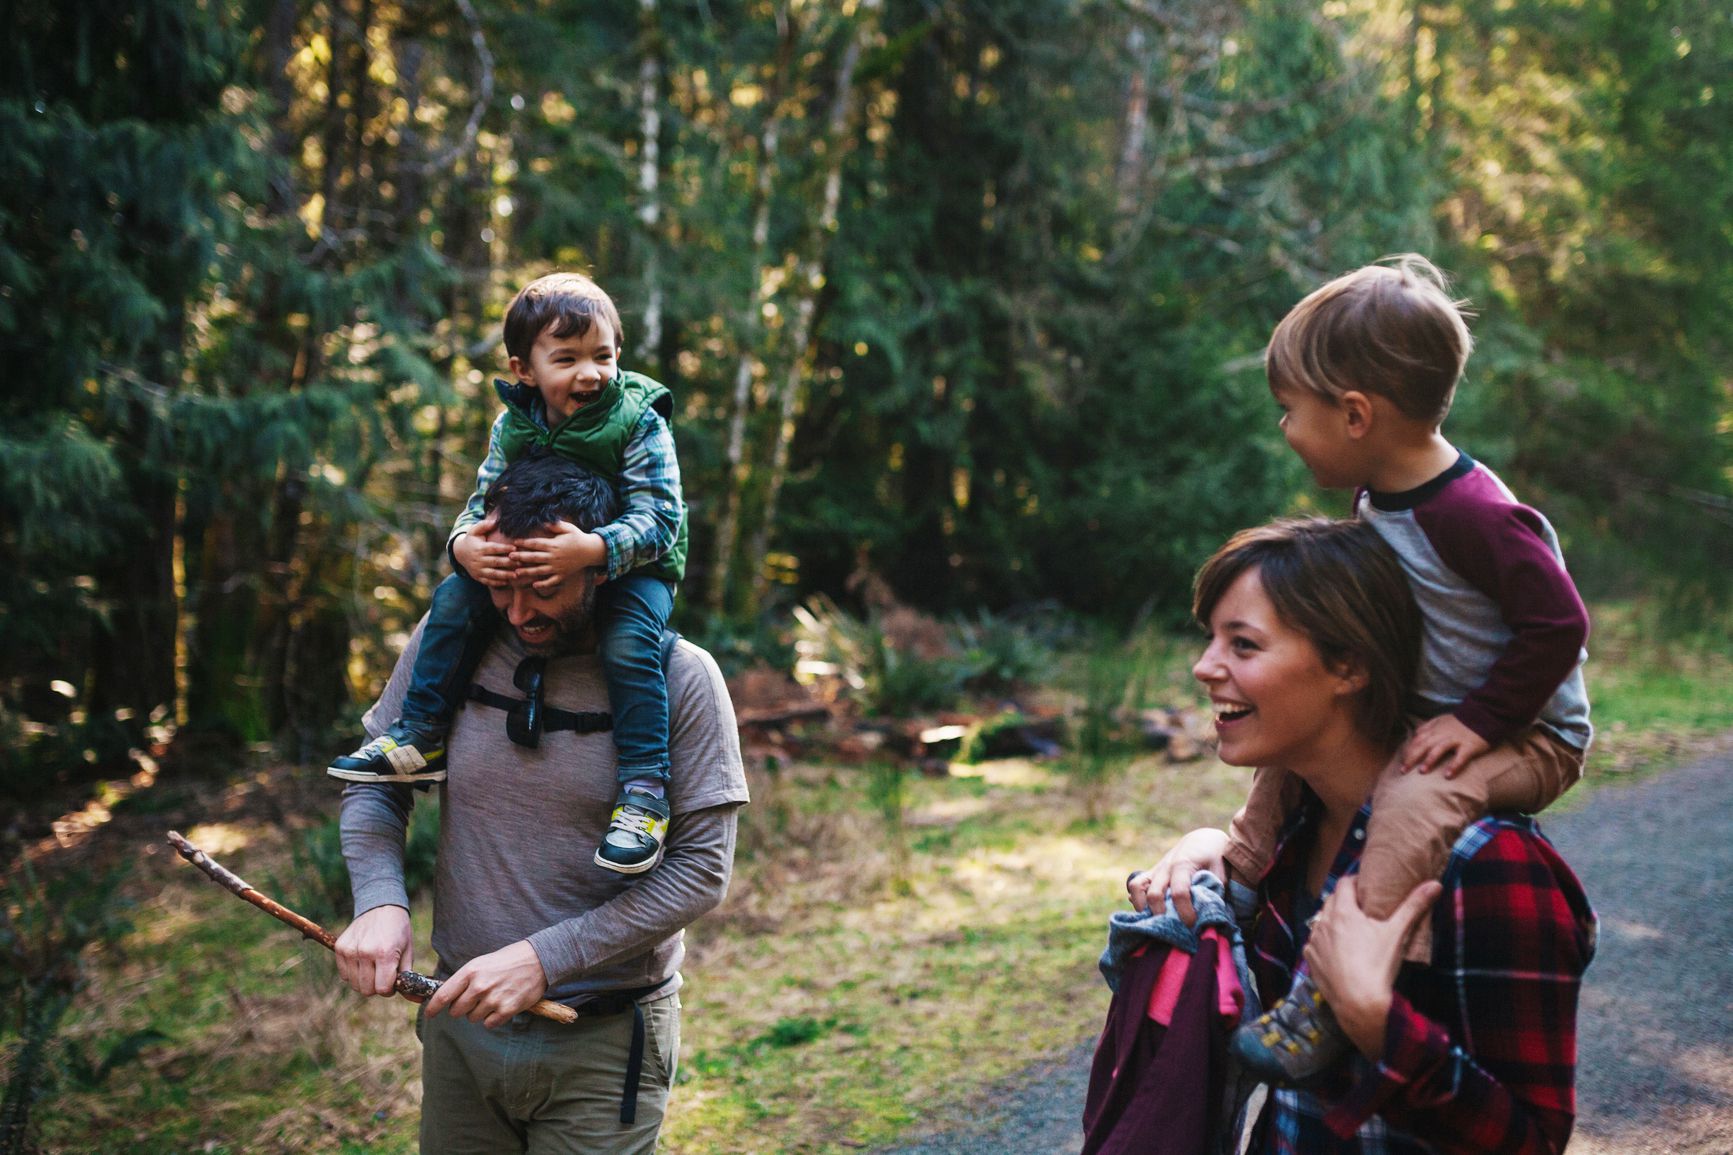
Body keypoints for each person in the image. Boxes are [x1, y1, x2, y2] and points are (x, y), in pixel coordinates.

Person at [1221, 254, 1593, 1083]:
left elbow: (1560, 622)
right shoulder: (1375, 499)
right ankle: (1235, 881)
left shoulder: (1471, 513)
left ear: (1353, 414)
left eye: (1289, 411)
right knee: (1304, 729)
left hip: (1530, 731)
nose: (1283, 428)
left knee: (1416, 795)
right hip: (1451, 709)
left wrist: (1480, 721)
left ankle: (1332, 988)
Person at [1129, 518, 1596, 1153]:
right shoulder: (1288, 837)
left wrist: (1376, 1022)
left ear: (1348, 665)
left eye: (1242, 645)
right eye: (1211, 639)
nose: (1203, 666)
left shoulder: (1489, 865)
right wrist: (1205, 853)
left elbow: (1532, 1143)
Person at [335, 452, 747, 1155]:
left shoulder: (682, 676)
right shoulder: (451, 648)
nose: (519, 612)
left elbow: (700, 870)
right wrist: (379, 899)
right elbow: (377, 787)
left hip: (601, 1041)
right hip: (459, 1026)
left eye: (544, 587)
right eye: (502, 585)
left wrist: (544, 958)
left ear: (600, 563)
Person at [329, 272, 690, 876]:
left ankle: (644, 794)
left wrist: (593, 550)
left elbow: (662, 517)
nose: (591, 373)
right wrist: (465, 545)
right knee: (453, 600)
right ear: (525, 370)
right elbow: (482, 502)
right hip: (537, 553)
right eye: (567, 358)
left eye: (604, 356)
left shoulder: (639, 419)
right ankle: (421, 734)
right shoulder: (512, 424)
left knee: (629, 645)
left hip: (635, 565)